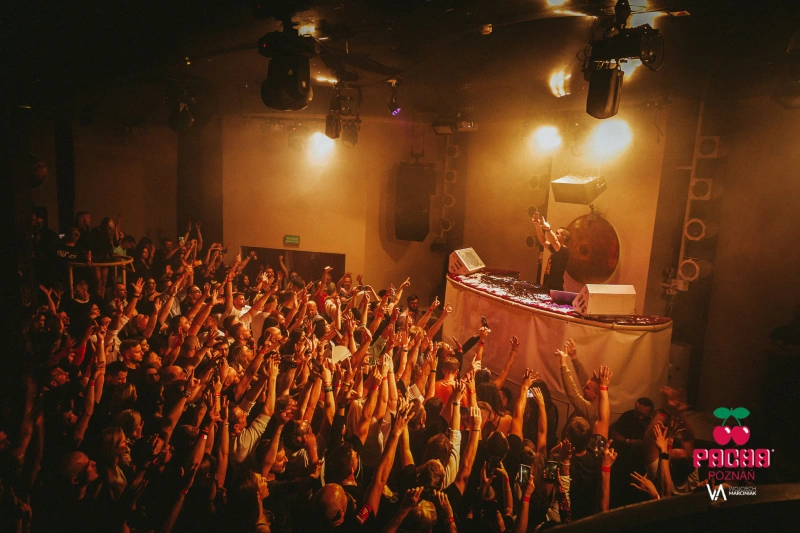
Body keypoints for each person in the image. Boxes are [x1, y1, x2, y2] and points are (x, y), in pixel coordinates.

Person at [531, 211, 571, 291]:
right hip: (547, 286)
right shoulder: (556, 248)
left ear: (563, 238)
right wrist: (537, 226)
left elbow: (555, 241)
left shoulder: (564, 250)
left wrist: (549, 229)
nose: (555, 235)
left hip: (555, 288)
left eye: (557, 233)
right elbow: (543, 241)